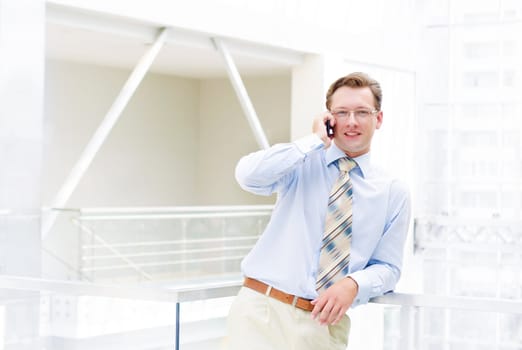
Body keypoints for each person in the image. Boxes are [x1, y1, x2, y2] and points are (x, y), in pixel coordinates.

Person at [226, 72, 411, 350]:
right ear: (329, 118)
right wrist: (313, 140)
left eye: (362, 112)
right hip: (261, 312)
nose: (351, 121)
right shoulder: (302, 162)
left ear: (379, 119)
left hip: (324, 323)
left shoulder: (393, 192)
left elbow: (389, 267)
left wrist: (354, 284)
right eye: (342, 112)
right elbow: (248, 175)